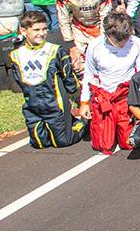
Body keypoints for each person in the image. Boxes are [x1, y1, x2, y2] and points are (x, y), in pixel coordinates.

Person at [8, 10, 87, 149]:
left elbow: (68, 77)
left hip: (55, 105)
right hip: (32, 105)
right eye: (36, 29)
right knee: (39, 143)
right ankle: (61, 123)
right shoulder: (16, 55)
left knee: (62, 142)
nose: (42, 33)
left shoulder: (55, 51)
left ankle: (81, 123)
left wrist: (74, 94)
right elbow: (18, 79)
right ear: (24, 31)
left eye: (44, 29)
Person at [80, 12, 140, 155]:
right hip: (104, 97)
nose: (122, 43)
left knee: (129, 144)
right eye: (117, 40)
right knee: (103, 145)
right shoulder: (95, 45)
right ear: (107, 34)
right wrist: (84, 102)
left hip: (125, 96)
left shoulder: (137, 44)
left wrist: (139, 102)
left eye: (125, 39)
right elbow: (89, 74)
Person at [57, 0, 112, 72]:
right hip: (78, 29)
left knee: (101, 62)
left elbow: (105, 18)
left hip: (98, 28)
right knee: (78, 65)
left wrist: (102, 39)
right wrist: (70, 44)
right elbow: (63, 20)